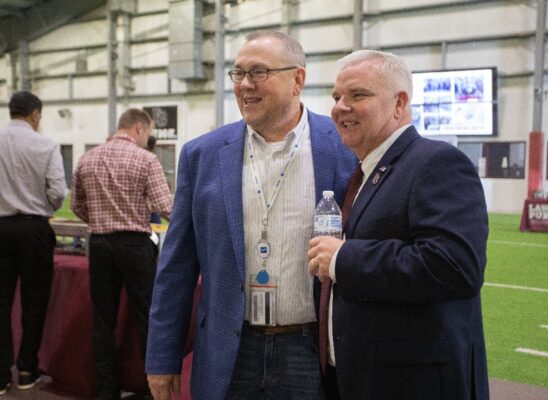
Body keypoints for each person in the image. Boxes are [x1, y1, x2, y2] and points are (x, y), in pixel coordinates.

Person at [145, 30, 356, 400]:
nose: (244, 85)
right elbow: (175, 268)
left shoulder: (343, 148)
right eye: (238, 73)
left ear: (298, 80)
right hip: (229, 349)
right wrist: (162, 358)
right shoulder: (202, 155)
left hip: (310, 349)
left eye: (258, 72)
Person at [308, 50, 489, 400]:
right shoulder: (362, 174)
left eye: (357, 95)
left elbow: (455, 266)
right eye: (336, 97)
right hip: (359, 376)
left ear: (399, 103)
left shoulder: (436, 162)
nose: (340, 107)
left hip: (413, 383)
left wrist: (343, 258)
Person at [70, 108, 172, 400]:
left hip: (100, 244)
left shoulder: (87, 158)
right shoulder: (146, 159)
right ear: (139, 128)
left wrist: (101, 220)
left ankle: (106, 389)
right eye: (149, 134)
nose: (147, 139)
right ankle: (153, 389)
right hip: (135, 245)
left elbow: (78, 205)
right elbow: (166, 207)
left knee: (103, 319)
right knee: (148, 318)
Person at [0, 91, 67, 394]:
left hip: (0, 227)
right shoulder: (46, 145)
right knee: (34, 302)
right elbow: (56, 192)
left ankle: (0, 374)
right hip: (34, 229)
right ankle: (27, 369)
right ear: (35, 114)